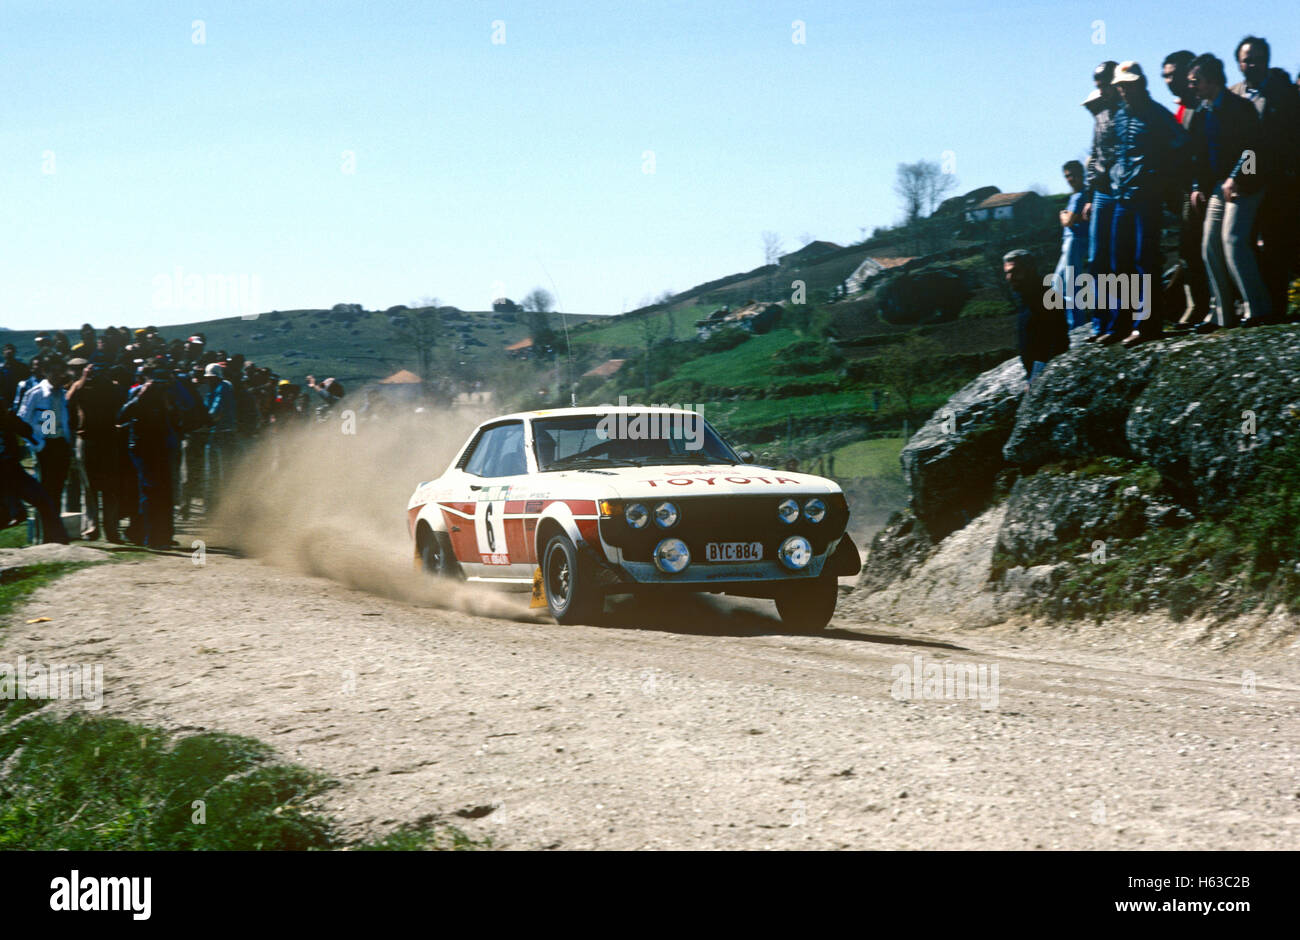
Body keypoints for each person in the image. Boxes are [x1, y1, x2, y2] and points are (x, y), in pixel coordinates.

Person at [1102, 62, 1189, 347]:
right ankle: (1120, 324)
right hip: (1123, 197)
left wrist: (1159, 178)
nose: (1124, 90)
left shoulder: (1158, 115)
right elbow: (1114, 152)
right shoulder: (1119, 117)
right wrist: (1115, 176)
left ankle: (1147, 324)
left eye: (1129, 84)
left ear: (1141, 84)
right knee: (1118, 263)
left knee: (1145, 261)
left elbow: (1181, 147)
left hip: (1147, 198)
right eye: (1121, 85)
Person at [1187, 53, 1269, 332]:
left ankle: (1257, 308)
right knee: (1209, 245)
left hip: (1247, 185)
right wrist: (1197, 186)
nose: (1192, 86)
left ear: (1211, 80)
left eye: (1195, 81)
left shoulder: (1241, 108)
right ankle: (1222, 314)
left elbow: (1253, 149)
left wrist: (1236, 177)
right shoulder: (1202, 113)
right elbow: (1197, 156)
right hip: (1217, 189)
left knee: (1232, 241)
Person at [1230, 36, 1300, 323]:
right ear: (1239, 62)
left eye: (1258, 58)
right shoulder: (1233, 94)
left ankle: (1275, 308)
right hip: (1246, 183)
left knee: (1276, 244)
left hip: (1279, 181)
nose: (1252, 64)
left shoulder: (1283, 92)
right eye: (1247, 59)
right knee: (1245, 243)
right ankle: (1255, 304)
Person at [1162, 50, 1213, 329]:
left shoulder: (1202, 108)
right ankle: (1195, 305)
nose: (1169, 81)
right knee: (1189, 251)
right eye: (1165, 76)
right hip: (1182, 193)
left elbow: (1203, 153)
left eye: (1174, 75)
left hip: (1200, 191)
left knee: (1199, 250)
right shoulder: (1181, 109)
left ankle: (1204, 306)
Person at [116, 366, 177, 548]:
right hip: (141, 447)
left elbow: (175, 418)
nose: (158, 385)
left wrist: (168, 403)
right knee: (149, 490)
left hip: (161, 445)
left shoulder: (166, 393)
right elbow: (121, 416)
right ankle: (150, 537)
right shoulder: (136, 392)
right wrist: (139, 398)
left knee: (164, 491)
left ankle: (164, 536)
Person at [66, 363, 126, 541]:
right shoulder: (79, 386)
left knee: (110, 487)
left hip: (107, 440)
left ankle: (111, 529)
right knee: (89, 486)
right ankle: (92, 528)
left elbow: (121, 401)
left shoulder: (111, 387)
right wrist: (83, 381)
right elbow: (68, 402)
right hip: (86, 439)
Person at [16, 357, 75, 541]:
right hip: (45, 446)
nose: (58, 375)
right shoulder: (36, 393)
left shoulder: (62, 394)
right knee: (45, 492)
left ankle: (54, 534)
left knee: (57, 490)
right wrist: (37, 445)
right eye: (54, 371)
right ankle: (44, 537)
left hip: (60, 445)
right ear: (46, 372)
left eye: (61, 371)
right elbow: (22, 421)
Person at [1082, 61, 1120, 341]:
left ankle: (1119, 322)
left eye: (1105, 84)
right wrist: (1089, 193)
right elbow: (1094, 153)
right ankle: (1100, 322)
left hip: (1125, 193)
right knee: (1097, 260)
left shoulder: (1131, 110)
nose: (1102, 90)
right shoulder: (1100, 113)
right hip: (1102, 193)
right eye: (1098, 85)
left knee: (1120, 259)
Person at [0, 406, 67, 543]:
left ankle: (59, 542)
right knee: (9, 514)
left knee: (44, 500)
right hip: (5, 475)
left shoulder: (6, 418)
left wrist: (11, 418)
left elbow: (26, 430)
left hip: (13, 470)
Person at [1005, 250, 1068, 383]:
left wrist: (1038, 377)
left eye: (1015, 272)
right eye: (1007, 273)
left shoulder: (1047, 298)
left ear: (1029, 270)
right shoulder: (1026, 297)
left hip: (1049, 378)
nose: (1010, 277)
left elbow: (1057, 342)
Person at [1053, 160, 1090, 325]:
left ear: (1081, 174)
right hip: (1069, 242)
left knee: (1069, 284)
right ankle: (1068, 323)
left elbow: (1068, 220)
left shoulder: (1081, 195)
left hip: (1075, 241)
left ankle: (1075, 325)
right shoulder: (1076, 196)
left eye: (1073, 175)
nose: (1070, 179)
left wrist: (1063, 213)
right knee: (1057, 283)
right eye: (1067, 176)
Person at [203, 363, 237, 511]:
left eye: (211, 377)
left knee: (218, 471)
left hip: (222, 434)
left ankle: (220, 506)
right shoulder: (218, 388)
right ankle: (217, 505)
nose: (209, 380)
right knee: (216, 471)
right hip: (217, 433)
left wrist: (202, 421)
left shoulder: (222, 388)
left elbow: (216, 409)